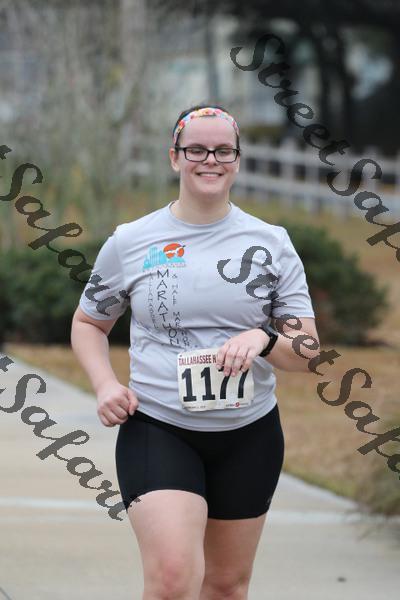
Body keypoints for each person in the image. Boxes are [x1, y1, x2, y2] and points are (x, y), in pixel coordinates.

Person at [71, 104, 320, 600]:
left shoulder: (271, 243)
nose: (211, 160)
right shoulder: (131, 241)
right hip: (159, 426)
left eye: (223, 150)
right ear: (175, 157)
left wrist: (265, 339)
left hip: (248, 434)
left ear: (238, 160)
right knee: (171, 580)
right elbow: (88, 323)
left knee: (226, 586)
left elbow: (308, 350)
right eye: (197, 150)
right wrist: (104, 385)